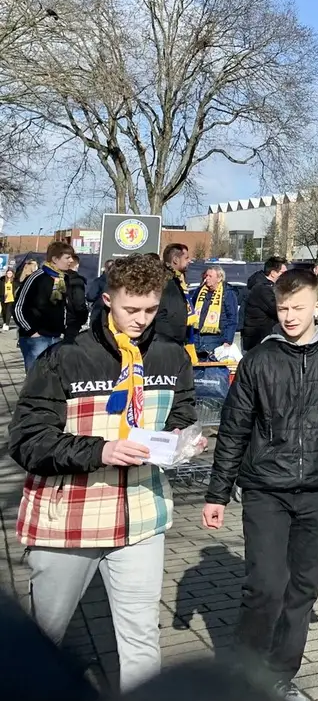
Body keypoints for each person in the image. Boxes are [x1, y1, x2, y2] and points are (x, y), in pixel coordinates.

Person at [9, 253, 197, 692]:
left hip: (141, 516)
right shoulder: (65, 358)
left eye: (151, 310)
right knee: (44, 641)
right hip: (68, 519)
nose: (142, 320)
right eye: (132, 309)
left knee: (141, 639)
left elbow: (182, 414)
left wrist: (184, 441)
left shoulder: (171, 356)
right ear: (108, 300)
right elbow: (27, 440)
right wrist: (102, 451)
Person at [202, 267, 318, 701]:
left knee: (302, 590)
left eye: (298, 307)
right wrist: (217, 494)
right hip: (265, 488)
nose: (289, 316)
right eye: (282, 308)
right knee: (265, 587)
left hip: (317, 490)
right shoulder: (259, 361)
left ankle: (280, 674)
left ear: (317, 306)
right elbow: (234, 430)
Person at [15, 242, 86, 371]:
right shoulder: (37, 277)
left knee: (53, 379)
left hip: (57, 336)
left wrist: (71, 328)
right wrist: (31, 331)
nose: (71, 261)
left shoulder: (64, 279)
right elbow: (18, 306)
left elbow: (62, 307)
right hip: (37, 338)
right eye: (67, 257)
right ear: (54, 259)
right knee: (36, 379)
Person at [187, 265, 239, 360]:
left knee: (212, 369)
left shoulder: (227, 293)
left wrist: (228, 340)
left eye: (210, 276)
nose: (207, 278)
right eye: (206, 276)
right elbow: (192, 310)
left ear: (219, 278)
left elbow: (232, 318)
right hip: (197, 337)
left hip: (216, 339)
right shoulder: (199, 291)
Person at [241, 257, 287, 353]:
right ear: (273, 273)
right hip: (258, 338)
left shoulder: (268, 286)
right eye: (283, 273)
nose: (286, 276)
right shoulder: (262, 289)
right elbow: (276, 309)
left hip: (261, 337)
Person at [152, 243, 192, 346]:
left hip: (175, 341)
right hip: (166, 342)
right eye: (186, 258)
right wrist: (172, 338)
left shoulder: (177, 280)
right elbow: (161, 312)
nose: (189, 261)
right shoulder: (165, 280)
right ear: (175, 260)